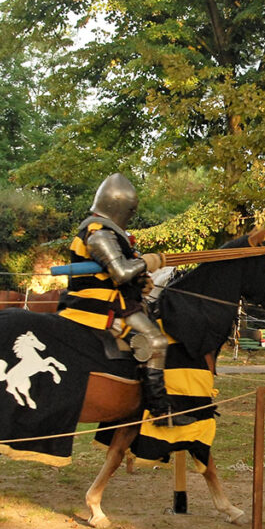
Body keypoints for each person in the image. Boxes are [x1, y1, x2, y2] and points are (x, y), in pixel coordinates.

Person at [57, 172, 192, 426]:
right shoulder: (98, 233)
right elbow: (119, 273)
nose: (131, 215)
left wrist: (141, 281)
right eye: (131, 210)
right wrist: (147, 262)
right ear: (121, 207)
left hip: (112, 299)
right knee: (156, 341)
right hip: (99, 306)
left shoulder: (108, 231)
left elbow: (120, 272)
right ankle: (159, 410)